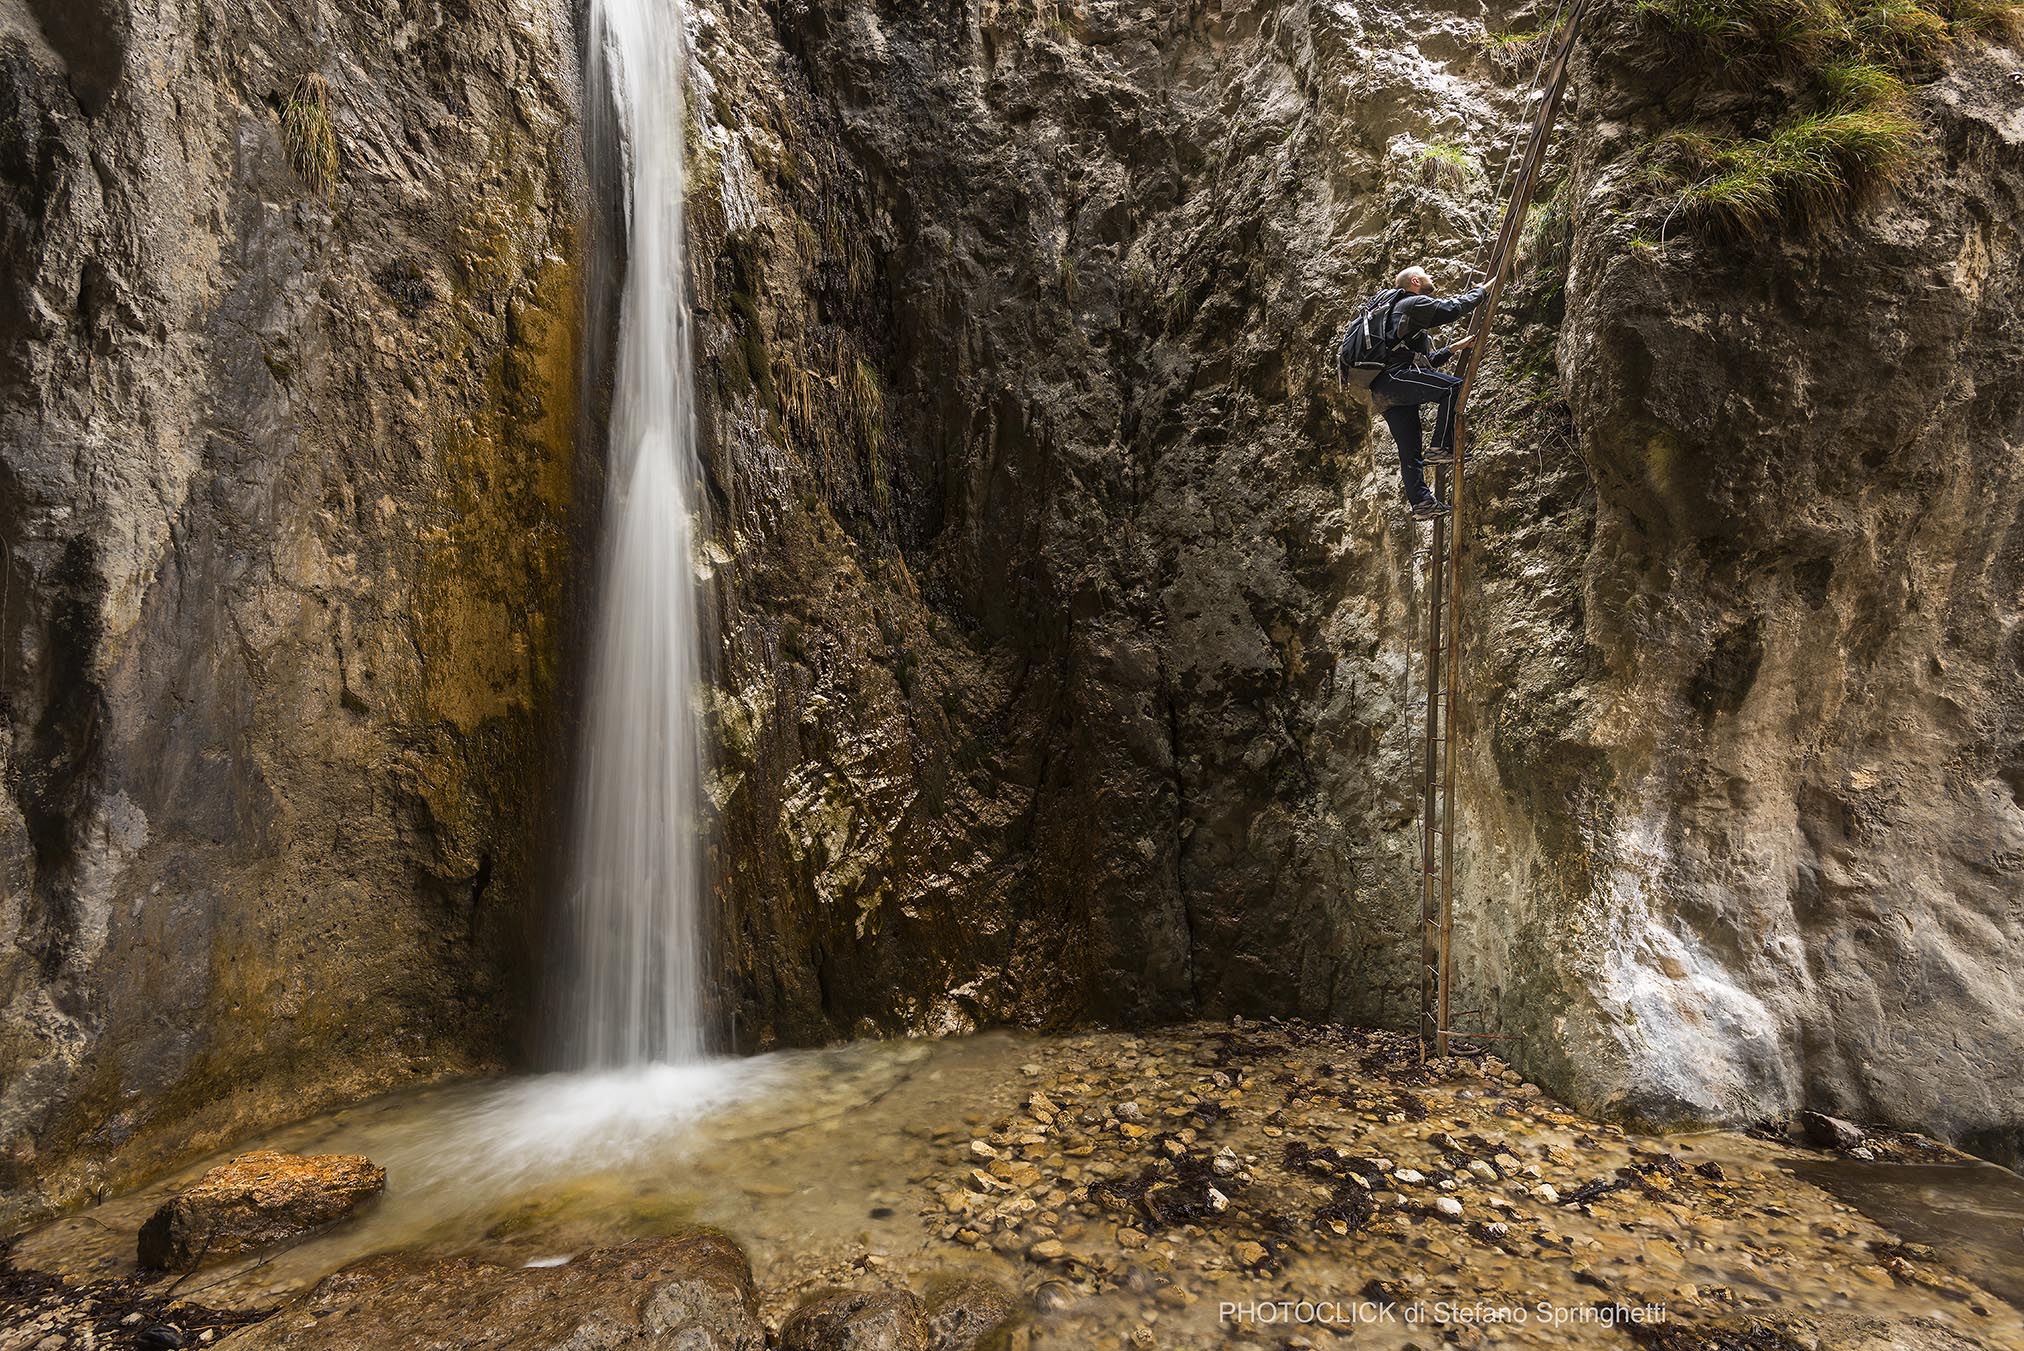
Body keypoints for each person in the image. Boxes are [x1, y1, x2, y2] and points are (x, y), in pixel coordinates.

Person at [1369, 266, 1487, 520]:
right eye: (1426, 275)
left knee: (1409, 449)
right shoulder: (1411, 303)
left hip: (1383, 389)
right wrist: (1480, 292)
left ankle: (1422, 503)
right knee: (1454, 387)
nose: (1430, 277)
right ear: (1415, 281)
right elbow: (1452, 309)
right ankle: (1441, 448)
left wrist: (1453, 349)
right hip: (1396, 377)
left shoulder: (1394, 315)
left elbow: (1428, 361)